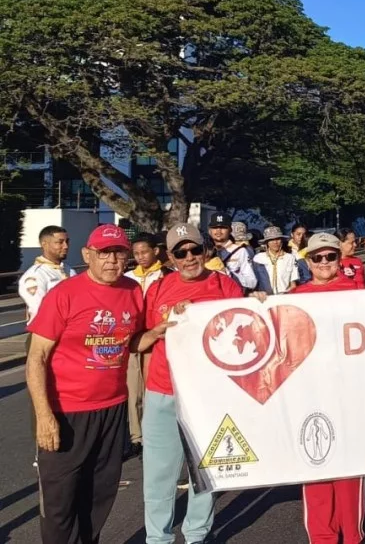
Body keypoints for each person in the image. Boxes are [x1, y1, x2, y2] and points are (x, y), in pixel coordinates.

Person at [26, 225, 163, 543]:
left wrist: (156, 334)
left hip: (112, 409)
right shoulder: (65, 294)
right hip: (67, 411)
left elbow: (132, 342)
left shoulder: (132, 291)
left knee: (99, 496)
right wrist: (45, 416)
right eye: (104, 253)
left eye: (119, 253)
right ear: (88, 255)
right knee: (60, 504)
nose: (112, 260)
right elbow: (36, 358)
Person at [141, 224, 246, 544]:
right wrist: (162, 326)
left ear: (206, 250)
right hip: (163, 391)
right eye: (180, 253)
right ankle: (157, 538)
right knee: (159, 475)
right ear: (170, 257)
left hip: (208, 394)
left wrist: (257, 303)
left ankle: (196, 535)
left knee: (205, 471)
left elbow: (244, 334)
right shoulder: (157, 289)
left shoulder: (225, 285)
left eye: (195, 250)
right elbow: (142, 341)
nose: (189, 258)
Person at [289, 233, 365, 544]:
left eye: (330, 257)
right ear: (308, 261)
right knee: (316, 465)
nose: (324, 263)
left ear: (339, 258)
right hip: (310, 395)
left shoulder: (357, 293)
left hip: (348, 393)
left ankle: (351, 535)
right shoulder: (295, 296)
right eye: (317, 257)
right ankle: (322, 536)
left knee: (349, 470)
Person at [122, 232, 171, 459]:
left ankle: (152, 434)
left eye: (145, 252)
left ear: (156, 251)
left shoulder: (167, 275)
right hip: (133, 337)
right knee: (133, 390)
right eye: (137, 253)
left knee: (152, 389)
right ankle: (136, 437)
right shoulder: (128, 278)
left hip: (157, 337)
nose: (141, 257)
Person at [18, 225, 74, 325]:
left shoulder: (69, 270)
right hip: (49, 334)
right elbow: (38, 311)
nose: (66, 246)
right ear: (44, 244)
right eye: (59, 242)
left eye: (67, 241)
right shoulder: (36, 275)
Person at [207, 212, 257, 291]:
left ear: (230, 230)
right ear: (209, 230)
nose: (218, 231)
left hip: (231, 297)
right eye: (215, 227)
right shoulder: (202, 251)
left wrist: (229, 274)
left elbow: (252, 282)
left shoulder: (240, 251)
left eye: (223, 227)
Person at [253, 226, 300, 294]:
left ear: (282, 240)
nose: (275, 242)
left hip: (284, 296)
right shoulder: (258, 258)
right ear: (267, 242)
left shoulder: (290, 258)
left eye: (278, 239)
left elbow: (293, 284)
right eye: (271, 240)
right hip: (265, 298)